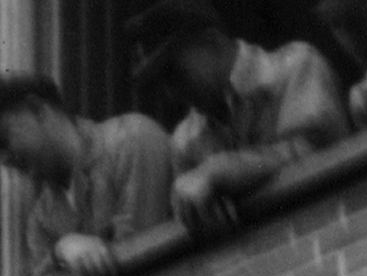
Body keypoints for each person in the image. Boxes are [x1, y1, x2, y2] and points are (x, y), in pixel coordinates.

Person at [129, 0, 349, 237]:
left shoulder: (295, 67)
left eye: (174, 72)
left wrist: (225, 169)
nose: (171, 94)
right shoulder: (186, 141)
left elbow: (317, 153)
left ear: (211, 42)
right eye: (161, 83)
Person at [0, 71, 175, 276]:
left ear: (37, 109)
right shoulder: (42, 219)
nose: (5, 160)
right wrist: (61, 250)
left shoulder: (129, 141)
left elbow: (144, 260)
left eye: (3, 140)